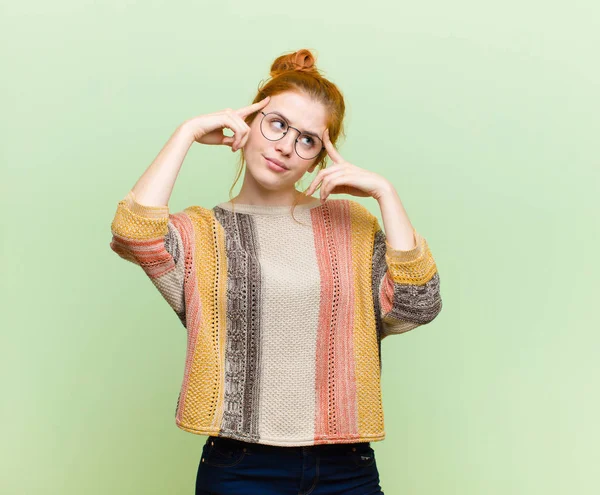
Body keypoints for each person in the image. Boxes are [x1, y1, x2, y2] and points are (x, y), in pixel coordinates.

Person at [109, 48, 443, 495]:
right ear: (247, 125)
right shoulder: (202, 234)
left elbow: (417, 305)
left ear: (318, 159)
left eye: (307, 140)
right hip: (241, 467)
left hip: (346, 466)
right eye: (278, 124)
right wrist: (186, 133)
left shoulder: (351, 226)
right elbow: (134, 233)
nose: (286, 146)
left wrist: (386, 194)